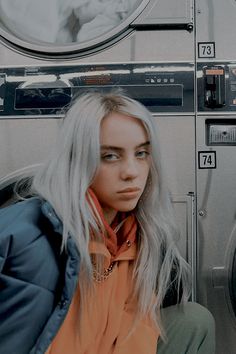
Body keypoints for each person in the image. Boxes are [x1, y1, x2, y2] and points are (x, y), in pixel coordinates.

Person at [0, 91, 215, 354]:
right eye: (110, 156)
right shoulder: (21, 235)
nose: (131, 172)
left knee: (192, 320)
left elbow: (134, 335)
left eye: (141, 153)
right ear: (77, 160)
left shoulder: (137, 238)